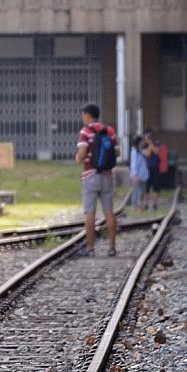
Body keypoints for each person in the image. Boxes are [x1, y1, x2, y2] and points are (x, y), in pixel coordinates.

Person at [76, 103, 118, 257]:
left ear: (87, 115)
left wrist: (78, 157)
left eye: (83, 115)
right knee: (109, 212)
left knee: (90, 212)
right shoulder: (110, 131)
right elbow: (117, 152)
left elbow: (81, 154)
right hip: (107, 175)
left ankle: (90, 248)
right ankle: (112, 248)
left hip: (90, 175)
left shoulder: (85, 131)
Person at [128, 132, 150, 210]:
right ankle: (135, 207)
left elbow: (147, 156)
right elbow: (133, 164)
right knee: (136, 191)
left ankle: (140, 206)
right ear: (138, 142)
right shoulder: (134, 151)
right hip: (137, 175)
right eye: (141, 141)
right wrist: (135, 175)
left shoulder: (141, 150)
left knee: (142, 192)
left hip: (143, 174)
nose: (143, 143)